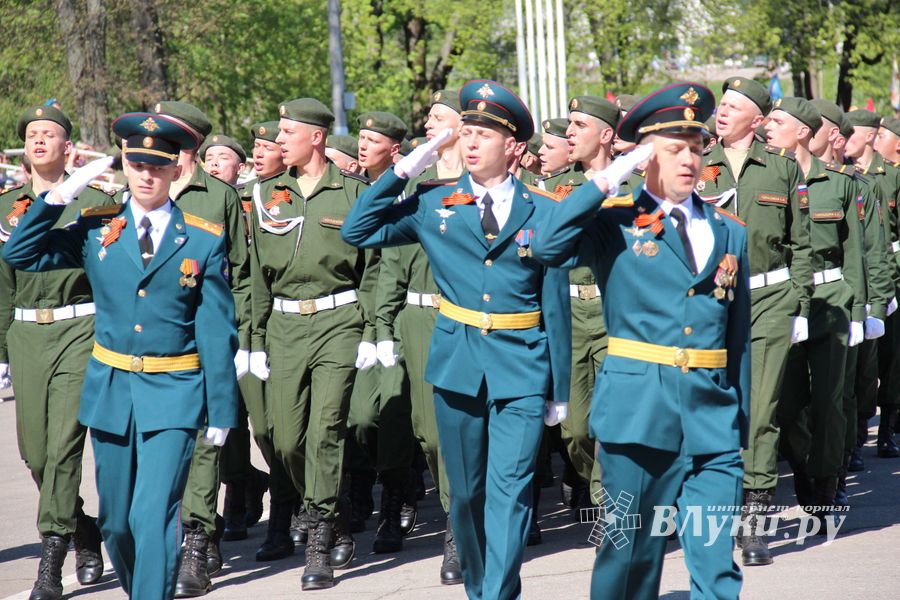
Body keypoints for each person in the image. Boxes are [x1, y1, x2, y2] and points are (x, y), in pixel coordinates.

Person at [342, 79, 572, 600]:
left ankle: (498, 593)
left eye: (484, 135)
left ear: (513, 147)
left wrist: (558, 387)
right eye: (466, 132)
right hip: (458, 364)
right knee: (465, 495)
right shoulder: (433, 202)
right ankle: (477, 586)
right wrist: (405, 169)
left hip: (522, 365)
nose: (470, 142)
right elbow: (357, 230)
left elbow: (555, 303)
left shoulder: (545, 210)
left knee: (511, 493)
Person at [3, 112, 239, 600]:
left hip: (174, 391)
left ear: (175, 169)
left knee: (152, 515)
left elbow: (216, 329)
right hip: (112, 391)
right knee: (116, 524)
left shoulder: (201, 237)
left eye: (158, 166)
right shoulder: (96, 229)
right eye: (137, 165)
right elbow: (19, 253)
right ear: (125, 167)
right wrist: (59, 197)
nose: (147, 175)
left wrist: (221, 407)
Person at [531, 81, 749, 600]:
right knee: (629, 555)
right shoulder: (615, 221)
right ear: (645, 155)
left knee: (716, 561)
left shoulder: (729, 230)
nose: (689, 160)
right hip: (638, 411)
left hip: (711, 415)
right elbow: (547, 245)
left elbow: (736, 336)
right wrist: (609, 178)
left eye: (696, 148)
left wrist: (738, 417)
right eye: (674, 149)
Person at [248, 97, 376, 590]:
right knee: (284, 440)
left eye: (288, 132)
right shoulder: (266, 194)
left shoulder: (353, 192)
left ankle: (319, 538)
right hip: (284, 326)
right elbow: (257, 275)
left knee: (325, 429)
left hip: (339, 320)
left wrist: (373, 330)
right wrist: (255, 338)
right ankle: (333, 509)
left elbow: (372, 268)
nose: (279, 140)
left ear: (316, 137)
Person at [697, 76, 814, 566]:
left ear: (757, 119)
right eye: (721, 104)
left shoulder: (781, 168)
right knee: (714, 410)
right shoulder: (697, 163)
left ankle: (754, 521)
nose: (721, 111)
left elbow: (802, 243)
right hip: (711, 303)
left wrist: (800, 304)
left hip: (769, 301)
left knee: (761, 413)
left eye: (733, 105)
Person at [0, 105, 109, 600]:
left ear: (69, 147)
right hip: (26, 334)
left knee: (64, 444)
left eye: (48, 133)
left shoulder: (95, 201)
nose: (38, 140)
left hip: (79, 328)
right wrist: (2, 350)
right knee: (35, 452)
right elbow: (3, 283)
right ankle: (82, 527)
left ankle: (52, 555)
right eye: (31, 135)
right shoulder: (8, 206)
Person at [372, 89, 464, 584]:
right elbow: (392, 263)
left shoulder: (480, 182)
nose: (428, 124)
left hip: (465, 316)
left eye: (438, 117)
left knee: (457, 432)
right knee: (428, 433)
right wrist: (383, 328)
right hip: (417, 316)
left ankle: (458, 528)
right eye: (427, 117)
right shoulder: (416, 186)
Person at [765, 97, 866, 517]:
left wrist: (860, 311)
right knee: (787, 402)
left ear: (803, 131)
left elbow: (856, 252)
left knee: (828, 399)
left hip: (830, 300)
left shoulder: (840, 184)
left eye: (777, 121)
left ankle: (827, 482)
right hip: (784, 299)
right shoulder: (769, 177)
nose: (767, 127)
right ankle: (805, 466)